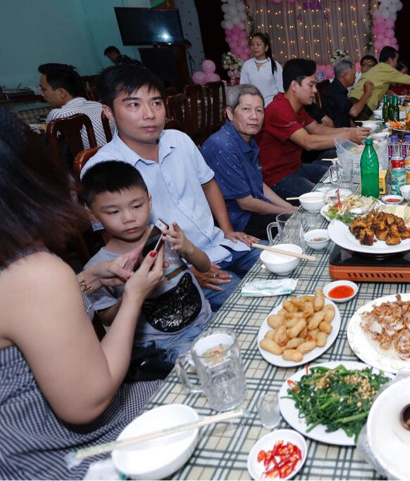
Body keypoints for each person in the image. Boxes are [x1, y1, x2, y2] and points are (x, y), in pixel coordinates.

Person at [0, 107, 164, 479]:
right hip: (42, 452)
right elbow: (88, 402)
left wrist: (87, 278)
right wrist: (134, 296)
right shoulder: (34, 273)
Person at [81, 64, 261, 312]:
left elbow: (208, 184)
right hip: (179, 270)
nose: (149, 114)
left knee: (285, 262)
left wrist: (228, 230)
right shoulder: (104, 168)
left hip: (220, 244)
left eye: (156, 103)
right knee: (254, 303)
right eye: (134, 105)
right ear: (108, 112)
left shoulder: (179, 140)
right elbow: (114, 239)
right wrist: (179, 275)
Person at [81, 161, 212, 380]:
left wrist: (188, 248)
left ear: (149, 201)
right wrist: (134, 293)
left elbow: (204, 266)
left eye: (136, 206)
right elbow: (108, 319)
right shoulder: (97, 267)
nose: (128, 218)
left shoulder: (164, 235)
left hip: (205, 318)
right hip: (164, 344)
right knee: (201, 372)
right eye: (113, 211)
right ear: (93, 215)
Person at [258, 58, 369, 199]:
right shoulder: (279, 109)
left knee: (345, 174)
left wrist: (349, 131)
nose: (315, 90)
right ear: (294, 85)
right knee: (327, 198)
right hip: (278, 177)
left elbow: (317, 129)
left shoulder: (297, 107)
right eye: (311, 85)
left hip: (296, 167)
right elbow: (308, 142)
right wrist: (347, 137)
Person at [201, 84, 296, 238]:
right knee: (295, 227)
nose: (254, 116)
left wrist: (288, 207)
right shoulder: (223, 146)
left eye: (259, 110)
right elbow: (246, 203)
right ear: (230, 113)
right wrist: (287, 212)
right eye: (246, 109)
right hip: (235, 221)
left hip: (250, 208)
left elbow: (258, 183)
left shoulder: (247, 138)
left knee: (297, 215)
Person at [39, 63, 112, 149]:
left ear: (61, 93)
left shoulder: (59, 114)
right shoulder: (99, 106)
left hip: (90, 157)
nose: (41, 94)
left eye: (44, 89)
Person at [348, 46, 410, 119]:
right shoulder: (386, 68)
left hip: (353, 101)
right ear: (390, 60)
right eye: (396, 60)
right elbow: (408, 79)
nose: (396, 64)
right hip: (361, 104)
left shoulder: (378, 68)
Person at [322, 59, 373, 128]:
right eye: (353, 74)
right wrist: (366, 93)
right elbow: (354, 112)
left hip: (345, 128)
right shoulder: (335, 91)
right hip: (337, 130)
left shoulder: (338, 87)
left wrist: (355, 129)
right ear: (345, 75)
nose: (355, 77)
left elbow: (346, 114)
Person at [240, 32, 283, 107]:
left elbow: (281, 90)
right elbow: (243, 88)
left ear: (266, 48)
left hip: (272, 106)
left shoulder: (275, 65)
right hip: (253, 106)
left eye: (258, 44)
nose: (255, 47)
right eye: (252, 44)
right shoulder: (247, 65)